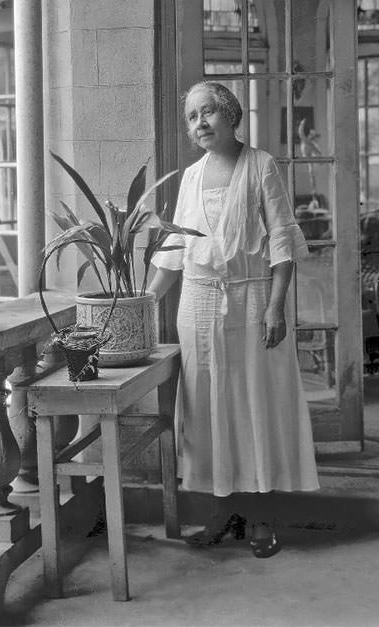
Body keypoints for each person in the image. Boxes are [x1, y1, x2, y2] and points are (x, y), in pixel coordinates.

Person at [149, 81, 319, 559]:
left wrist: (275, 305)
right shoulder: (191, 177)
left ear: (230, 115)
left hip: (251, 300)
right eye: (191, 117)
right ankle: (220, 512)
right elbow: (174, 250)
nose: (199, 124)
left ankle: (262, 516)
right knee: (205, 409)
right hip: (198, 305)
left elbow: (282, 241)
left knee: (252, 404)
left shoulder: (261, 165)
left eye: (208, 113)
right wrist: (141, 304)